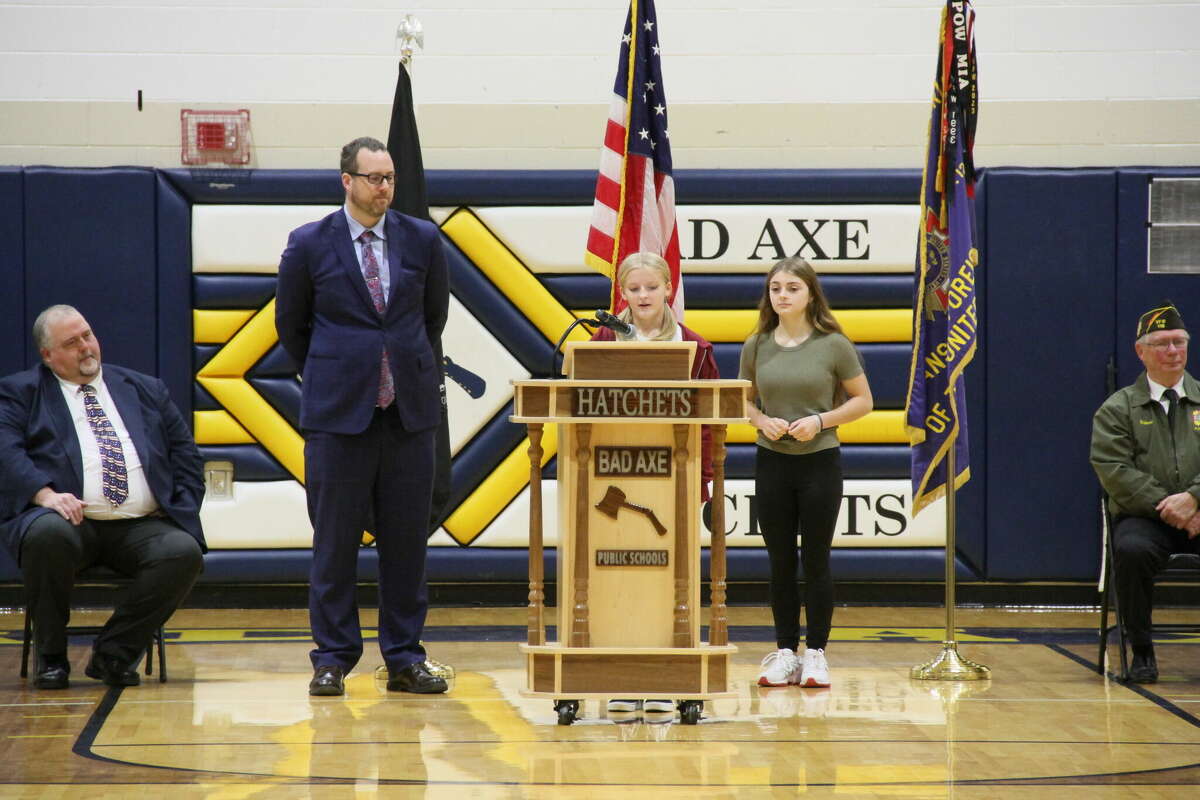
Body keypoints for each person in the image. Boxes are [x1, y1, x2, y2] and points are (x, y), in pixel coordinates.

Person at [275, 136, 450, 696]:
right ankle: (332, 657)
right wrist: (339, 372)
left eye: (390, 178)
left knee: (406, 545)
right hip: (337, 418)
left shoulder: (421, 238)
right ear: (346, 181)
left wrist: (397, 367)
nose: (384, 188)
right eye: (373, 178)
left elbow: (432, 318)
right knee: (334, 542)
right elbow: (291, 329)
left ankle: (403, 657)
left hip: (407, 415)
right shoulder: (308, 244)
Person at [0, 305, 205, 689]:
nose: (85, 347)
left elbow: (187, 457)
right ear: (48, 355)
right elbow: (5, 452)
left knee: (184, 552)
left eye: (87, 335)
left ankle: (114, 654)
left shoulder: (145, 388)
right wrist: (44, 494)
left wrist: (178, 509)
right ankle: (53, 658)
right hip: (66, 522)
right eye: (72, 342)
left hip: (140, 524)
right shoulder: (21, 392)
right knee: (46, 535)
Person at [590, 252, 720, 717]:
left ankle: (665, 677)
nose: (642, 296)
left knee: (671, 580)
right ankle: (624, 677)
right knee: (617, 576)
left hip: (674, 478)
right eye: (634, 289)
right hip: (611, 477)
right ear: (622, 293)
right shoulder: (602, 338)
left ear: (668, 287)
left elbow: (709, 421)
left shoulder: (696, 346)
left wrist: (703, 479)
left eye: (651, 287)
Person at [739, 257, 872, 689]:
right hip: (771, 461)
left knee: (815, 559)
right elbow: (742, 401)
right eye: (776, 287)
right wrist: (761, 421)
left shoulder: (833, 344)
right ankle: (784, 653)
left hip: (819, 460)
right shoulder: (756, 343)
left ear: (810, 294)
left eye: (792, 288)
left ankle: (816, 653)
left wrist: (821, 421)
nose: (783, 295)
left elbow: (863, 401)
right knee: (779, 561)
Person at [1091, 303, 1200, 684]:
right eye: (1162, 344)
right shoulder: (1117, 409)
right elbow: (1115, 471)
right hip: (1144, 517)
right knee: (1131, 551)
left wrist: (1195, 499)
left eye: (1179, 342)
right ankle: (1141, 651)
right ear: (1141, 352)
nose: (1173, 351)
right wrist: (1171, 506)